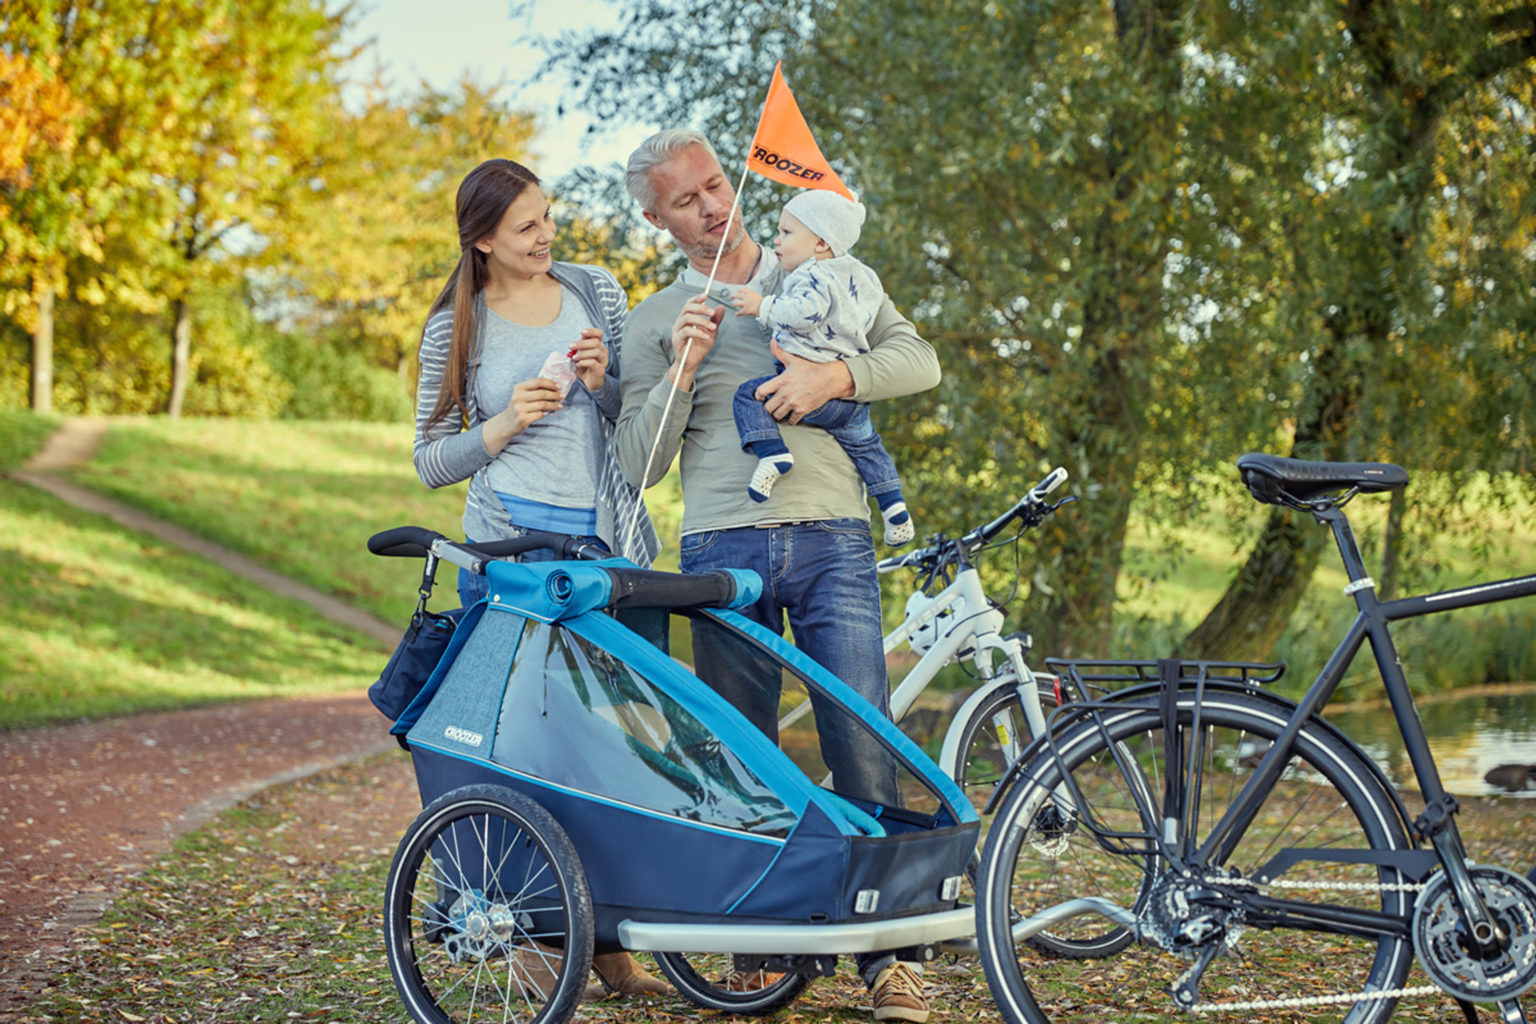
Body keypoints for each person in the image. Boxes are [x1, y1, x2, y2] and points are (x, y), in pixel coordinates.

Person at [615, 129, 939, 1024]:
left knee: (863, 744)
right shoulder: (650, 321)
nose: (712, 206)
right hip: (723, 551)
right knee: (744, 760)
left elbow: (920, 361)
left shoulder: (828, 268)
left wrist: (838, 369)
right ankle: (762, 949)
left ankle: (892, 961)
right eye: (686, 200)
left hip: (835, 535)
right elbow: (638, 469)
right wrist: (680, 369)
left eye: (715, 184)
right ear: (654, 218)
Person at [410, 157, 668, 1000]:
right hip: (507, 561)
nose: (546, 235)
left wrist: (601, 385)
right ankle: (520, 936)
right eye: (525, 227)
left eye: (548, 217)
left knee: (621, 747)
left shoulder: (596, 289)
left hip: (605, 551)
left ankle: (610, 944)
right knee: (517, 750)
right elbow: (429, 461)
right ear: (481, 240)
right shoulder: (457, 325)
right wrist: (501, 425)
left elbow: (639, 413)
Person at [729, 189, 914, 546]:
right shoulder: (862, 276)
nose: (776, 240)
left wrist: (762, 306)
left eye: (786, 232)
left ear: (820, 244)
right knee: (868, 448)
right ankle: (894, 509)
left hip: (810, 388)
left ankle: (772, 455)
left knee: (748, 397)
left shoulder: (811, 275)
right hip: (850, 401)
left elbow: (804, 313)